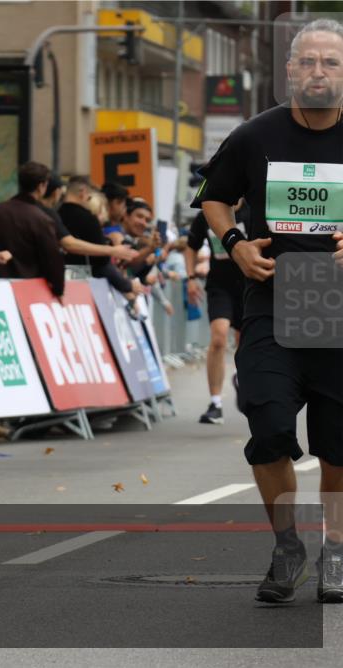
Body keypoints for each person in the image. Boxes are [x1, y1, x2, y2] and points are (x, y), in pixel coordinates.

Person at [193, 17, 343, 604]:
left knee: (338, 444)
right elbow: (213, 198)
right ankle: (288, 548)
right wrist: (235, 244)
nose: (318, 71)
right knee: (268, 422)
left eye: (330, 61)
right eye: (307, 61)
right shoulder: (255, 136)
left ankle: (336, 553)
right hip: (275, 302)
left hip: (336, 304)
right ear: (289, 70)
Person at [185, 199, 248, 425]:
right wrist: (191, 278)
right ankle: (215, 403)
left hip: (250, 285)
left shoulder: (254, 209)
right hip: (220, 285)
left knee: (245, 342)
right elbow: (191, 247)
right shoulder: (208, 213)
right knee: (219, 338)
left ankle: (241, 379)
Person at [0, 161, 65, 296]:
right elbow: (52, 260)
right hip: (22, 291)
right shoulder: (40, 219)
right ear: (41, 186)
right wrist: (58, 290)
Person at [59, 176, 140, 295]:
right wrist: (127, 285)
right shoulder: (87, 219)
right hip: (83, 287)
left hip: (59, 280)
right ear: (83, 193)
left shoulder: (56, 214)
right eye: (89, 198)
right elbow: (101, 263)